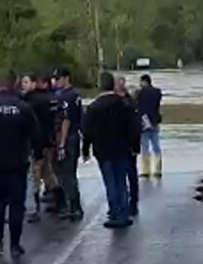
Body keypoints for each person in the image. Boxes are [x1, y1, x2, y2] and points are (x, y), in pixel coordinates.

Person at [0, 70, 40, 259]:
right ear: (16, 83)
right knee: (16, 204)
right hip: (18, 161)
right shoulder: (23, 107)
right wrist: (35, 153)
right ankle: (15, 244)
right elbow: (35, 134)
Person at [82, 71, 138, 229]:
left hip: (103, 150)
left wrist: (85, 150)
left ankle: (114, 212)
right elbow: (133, 126)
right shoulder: (123, 104)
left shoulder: (93, 107)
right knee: (121, 181)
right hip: (122, 148)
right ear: (113, 85)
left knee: (110, 182)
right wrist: (134, 145)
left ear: (99, 86)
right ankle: (124, 212)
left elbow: (87, 131)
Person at [25, 74, 60, 222]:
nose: (24, 85)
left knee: (34, 176)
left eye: (26, 82)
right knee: (48, 173)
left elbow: (32, 126)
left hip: (36, 144)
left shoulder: (31, 101)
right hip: (49, 142)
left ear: (35, 83)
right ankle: (61, 201)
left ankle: (33, 209)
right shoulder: (51, 98)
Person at [52, 68, 84, 222]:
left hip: (67, 138)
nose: (56, 82)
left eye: (58, 79)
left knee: (66, 174)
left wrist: (62, 144)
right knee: (69, 172)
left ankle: (74, 206)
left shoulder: (66, 97)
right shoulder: (76, 95)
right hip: (74, 137)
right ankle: (73, 205)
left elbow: (66, 120)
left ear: (66, 78)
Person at [116, 75, 141, 217]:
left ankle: (131, 203)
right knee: (124, 175)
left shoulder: (129, 104)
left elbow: (135, 127)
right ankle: (126, 203)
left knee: (129, 175)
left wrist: (135, 146)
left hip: (128, 145)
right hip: (122, 145)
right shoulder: (127, 103)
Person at [136, 73, 163, 178]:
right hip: (154, 121)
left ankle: (146, 171)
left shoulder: (140, 92)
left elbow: (137, 106)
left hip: (143, 122)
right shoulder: (157, 92)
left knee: (145, 147)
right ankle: (158, 170)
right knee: (156, 146)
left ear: (144, 81)